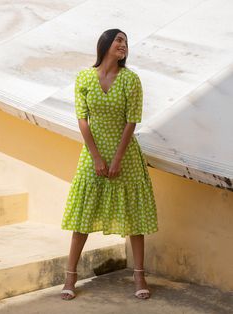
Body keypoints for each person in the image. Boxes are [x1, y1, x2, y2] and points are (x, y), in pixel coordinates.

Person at [60, 29, 158, 300]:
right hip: (92, 155)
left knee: (134, 218)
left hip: (125, 156)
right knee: (82, 216)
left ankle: (139, 275)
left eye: (126, 42)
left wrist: (116, 159)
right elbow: (82, 118)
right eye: (119, 40)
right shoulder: (84, 78)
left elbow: (131, 120)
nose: (124, 45)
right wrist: (96, 156)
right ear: (104, 44)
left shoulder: (131, 80)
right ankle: (70, 278)